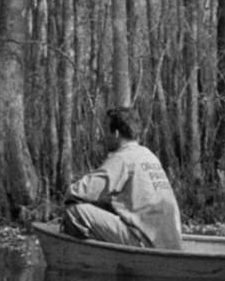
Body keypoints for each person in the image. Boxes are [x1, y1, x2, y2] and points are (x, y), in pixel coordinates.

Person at [62, 106, 184, 249]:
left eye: (106, 132)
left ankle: (88, 254)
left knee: (74, 211)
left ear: (116, 134)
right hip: (170, 241)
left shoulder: (122, 158)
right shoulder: (149, 155)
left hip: (145, 241)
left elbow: (80, 192)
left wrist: (68, 197)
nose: (104, 137)